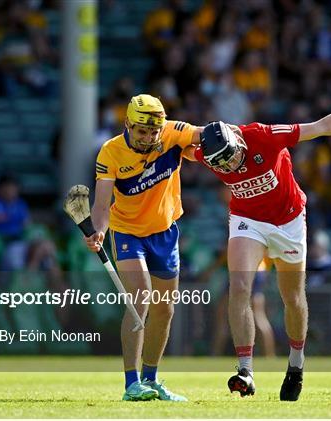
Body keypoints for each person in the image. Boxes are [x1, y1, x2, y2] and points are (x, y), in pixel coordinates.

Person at [193, 84, 331, 401]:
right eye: (221, 165)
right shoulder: (207, 154)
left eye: (231, 159)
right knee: (239, 287)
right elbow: (173, 141)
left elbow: (324, 127)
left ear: (238, 141)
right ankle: (245, 371)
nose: (231, 168)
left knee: (292, 298)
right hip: (247, 220)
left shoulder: (264, 135)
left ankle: (295, 365)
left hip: (289, 221)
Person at [85, 94, 201, 402]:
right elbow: (101, 204)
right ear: (127, 124)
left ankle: (152, 379)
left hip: (164, 232)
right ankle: (131, 383)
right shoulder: (111, 152)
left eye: (153, 132)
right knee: (140, 300)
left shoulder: (172, 132)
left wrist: (222, 140)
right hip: (127, 232)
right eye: (141, 131)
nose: (148, 138)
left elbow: (207, 135)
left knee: (165, 309)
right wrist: (98, 230)